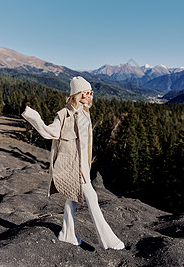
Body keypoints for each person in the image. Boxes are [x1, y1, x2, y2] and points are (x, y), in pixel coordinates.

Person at [21, 76, 125, 250]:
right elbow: (50, 133)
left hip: (83, 164)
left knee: (72, 198)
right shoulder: (64, 115)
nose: (88, 95)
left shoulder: (85, 112)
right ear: (75, 94)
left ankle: (67, 234)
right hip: (71, 165)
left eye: (90, 92)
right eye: (85, 92)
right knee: (91, 197)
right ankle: (107, 240)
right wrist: (33, 116)